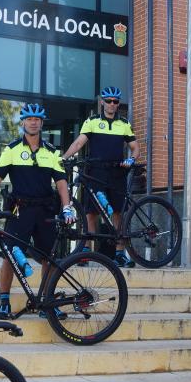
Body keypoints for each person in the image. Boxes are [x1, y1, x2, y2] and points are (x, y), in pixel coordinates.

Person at [0, 103, 74, 319]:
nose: (33, 122)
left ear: (42, 123)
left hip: (45, 210)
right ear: (23, 122)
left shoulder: (52, 152)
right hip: (20, 210)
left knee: (49, 257)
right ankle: (4, 301)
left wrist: (67, 207)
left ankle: (47, 302)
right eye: (29, 118)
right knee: (9, 256)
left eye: (37, 119)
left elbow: (62, 182)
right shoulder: (12, 149)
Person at [61, 86, 138, 265]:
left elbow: (135, 148)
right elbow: (79, 142)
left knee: (118, 212)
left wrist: (131, 160)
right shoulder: (92, 121)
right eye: (108, 101)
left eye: (115, 101)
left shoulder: (124, 124)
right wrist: (64, 157)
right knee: (91, 212)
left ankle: (120, 253)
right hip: (95, 171)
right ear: (102, 102)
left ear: (118, 104)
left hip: (117, 172)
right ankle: (86, 251)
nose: (112, 104)